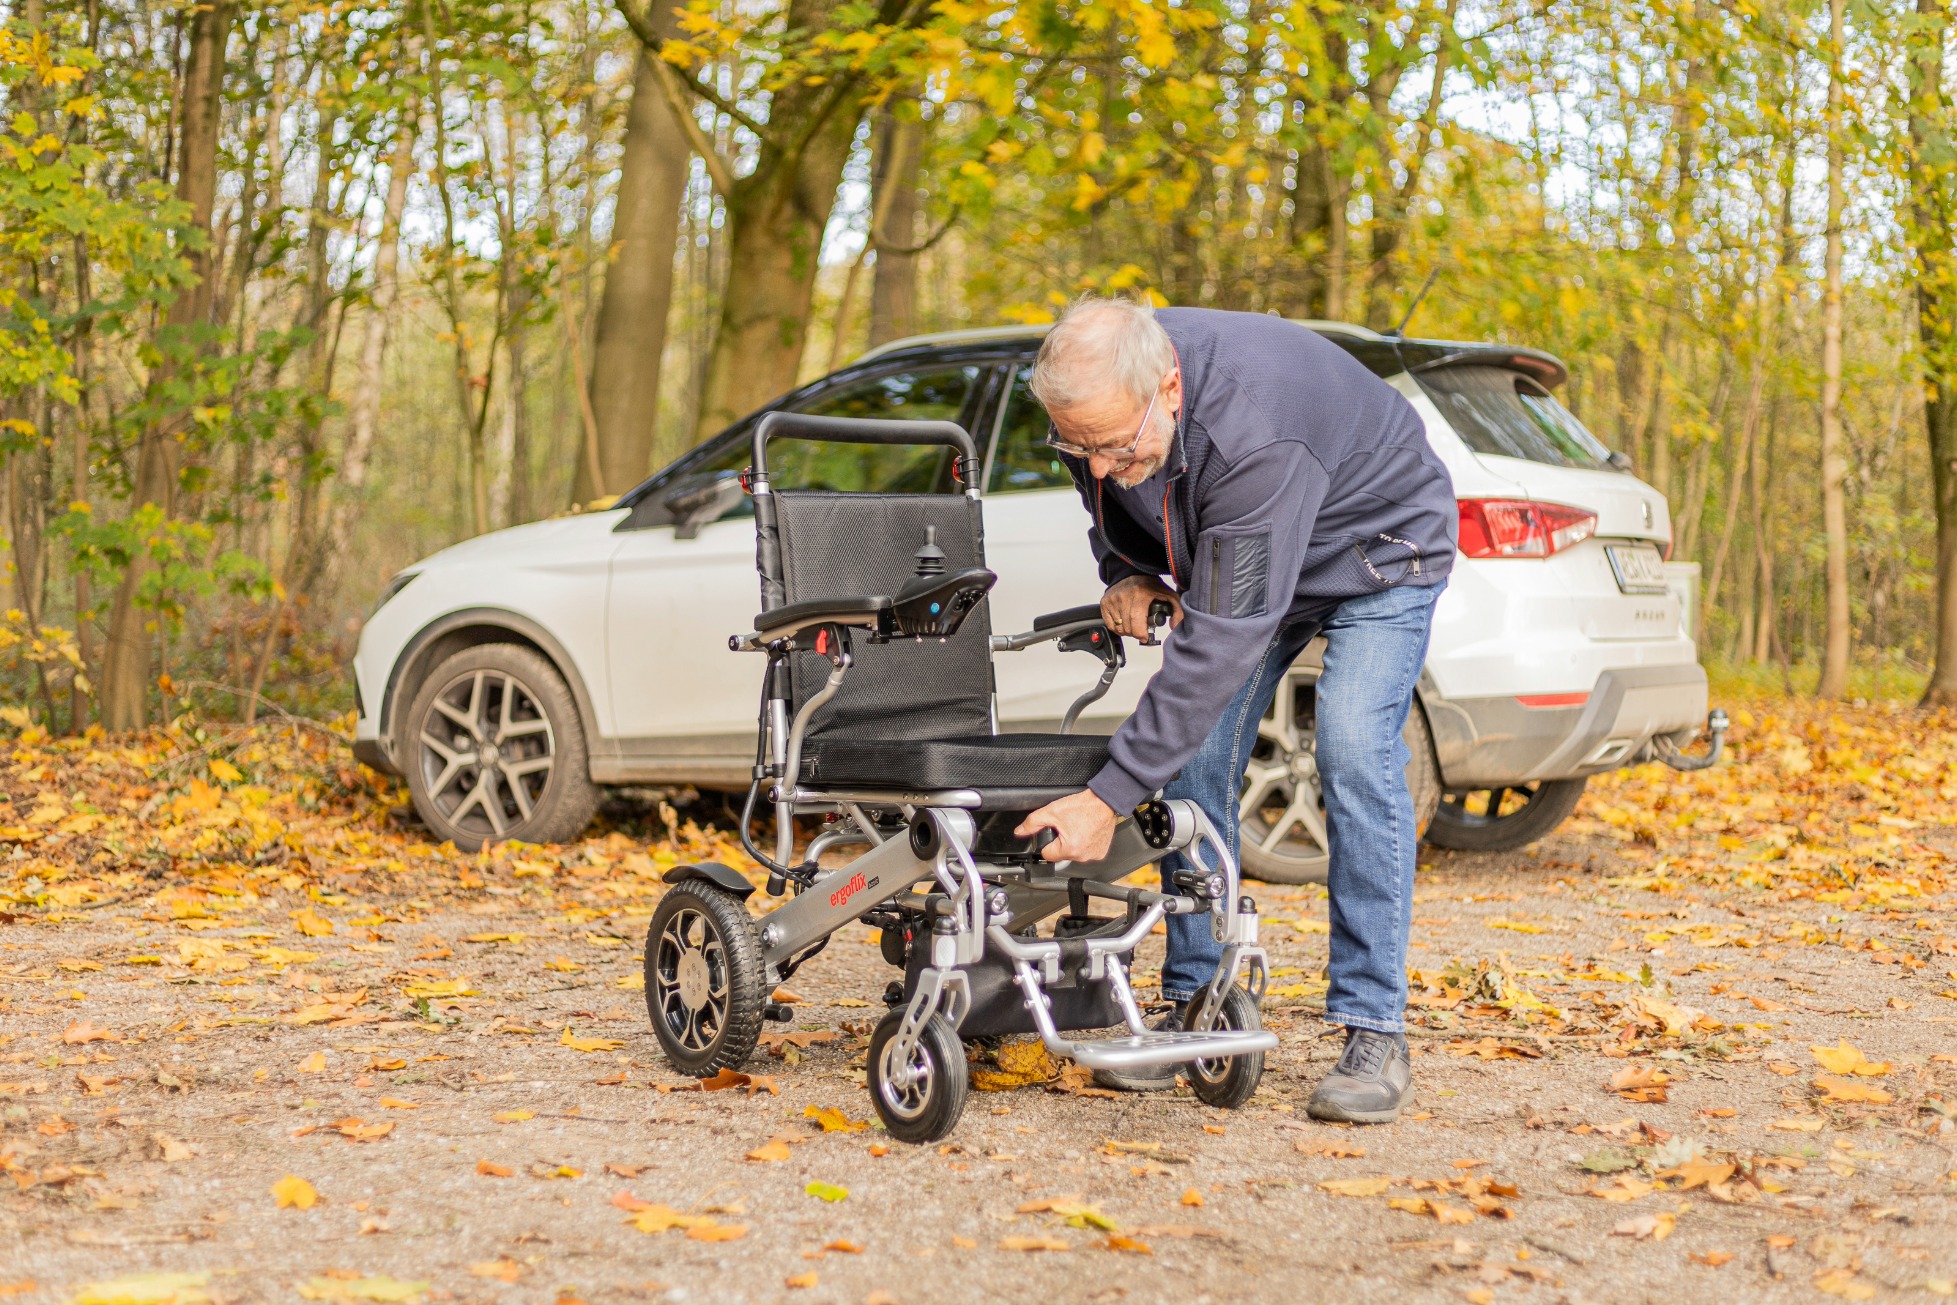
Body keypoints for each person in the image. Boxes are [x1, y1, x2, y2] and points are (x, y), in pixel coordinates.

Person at [1014, 298, 1455, 1123]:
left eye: (1113, 444)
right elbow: (1110, 504)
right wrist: (1122, 567)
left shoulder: (1253, 430)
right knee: (1193, 762)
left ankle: (1373, 1027)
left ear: (1169, 386)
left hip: (1375, 550)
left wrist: (1105, 797)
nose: (1098, 465)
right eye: (1078, 446)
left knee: (1353, 748)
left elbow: (1218, 640)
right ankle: (1196, 1002)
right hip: (1249, 551)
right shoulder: (1099, 407)